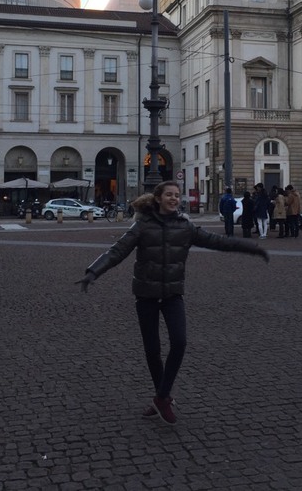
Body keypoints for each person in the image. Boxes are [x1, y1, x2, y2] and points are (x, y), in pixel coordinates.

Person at [75, 180, 269, 425]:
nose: (174, 198)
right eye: (169, 194)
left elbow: (218, 242)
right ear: (158, 198)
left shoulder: (185, 226)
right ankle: (162, 397)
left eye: (177, 195)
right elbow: (117, 251)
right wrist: (93, 271)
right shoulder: (142, 226)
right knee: (152, 350)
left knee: (179, 341)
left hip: (173, 294)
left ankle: (161, 397)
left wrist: (251, 248)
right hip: (146, 294)